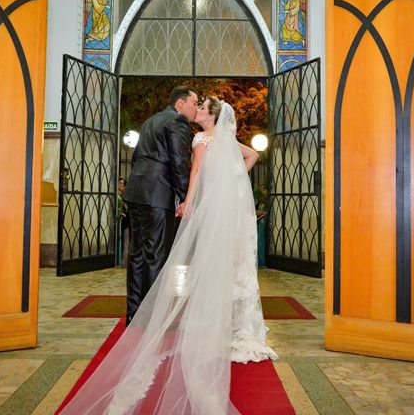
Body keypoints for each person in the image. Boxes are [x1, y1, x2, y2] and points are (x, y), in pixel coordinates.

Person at [59, 97, 276, 415]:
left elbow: (198, 171)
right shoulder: (228, 139)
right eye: (196, 106)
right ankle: (234, 326)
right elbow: (253, 155)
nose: (197, 111)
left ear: (212, 116)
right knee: (230, 265)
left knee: (204, 261)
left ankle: (201, 321)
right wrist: (233, 180)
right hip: (229, 211)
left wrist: (189, 202)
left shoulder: (201, 138)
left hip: (211, 208)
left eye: (202, 108)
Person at [122, 86, 198, 326]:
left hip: (135, 192)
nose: (196, 108)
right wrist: (186, 197)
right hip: (157, 195)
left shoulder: (150, 121)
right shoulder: (177, 122)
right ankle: (153, 318)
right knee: (156, 256)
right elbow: (179, 161)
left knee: (136, 255)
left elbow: (136, 158)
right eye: (195, 103)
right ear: (181, 103)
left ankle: (134, 314)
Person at [117, 178, 130, 266]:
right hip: (121, 220)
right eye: (120, 183)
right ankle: (123, 261)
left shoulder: (123, 195)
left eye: (123, 183)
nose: (122, 185)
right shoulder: (118, 196)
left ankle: (124, 261)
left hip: (125, 220)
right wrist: (120, 213)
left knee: (125, 242)